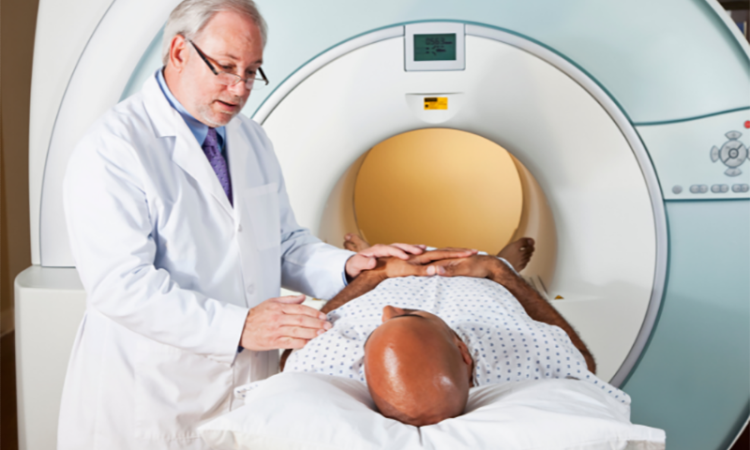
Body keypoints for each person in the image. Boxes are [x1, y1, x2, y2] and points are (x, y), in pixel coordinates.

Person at [57, 1, 472, 448]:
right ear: (179, 51)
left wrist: (352, 265)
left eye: (252, 72)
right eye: (226, 67)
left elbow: (282, 243)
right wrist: (239, 328)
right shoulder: (113, 148)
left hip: (246, 386)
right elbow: (120, 285)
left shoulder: (248, 138)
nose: (239, 88)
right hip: (152, 394)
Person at [282, 246, 629, 427]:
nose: (388, 310)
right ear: (463, 351)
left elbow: (288, 361)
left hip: (392, 276)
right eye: (407, 315)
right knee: (487, 259)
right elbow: (584, 362)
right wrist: (497, 272)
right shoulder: (524, 358)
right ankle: (507, 260)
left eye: (380, 327)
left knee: (378, 259)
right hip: (479, 281)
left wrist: (374, 277)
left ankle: (367, 251)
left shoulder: (333, 362)